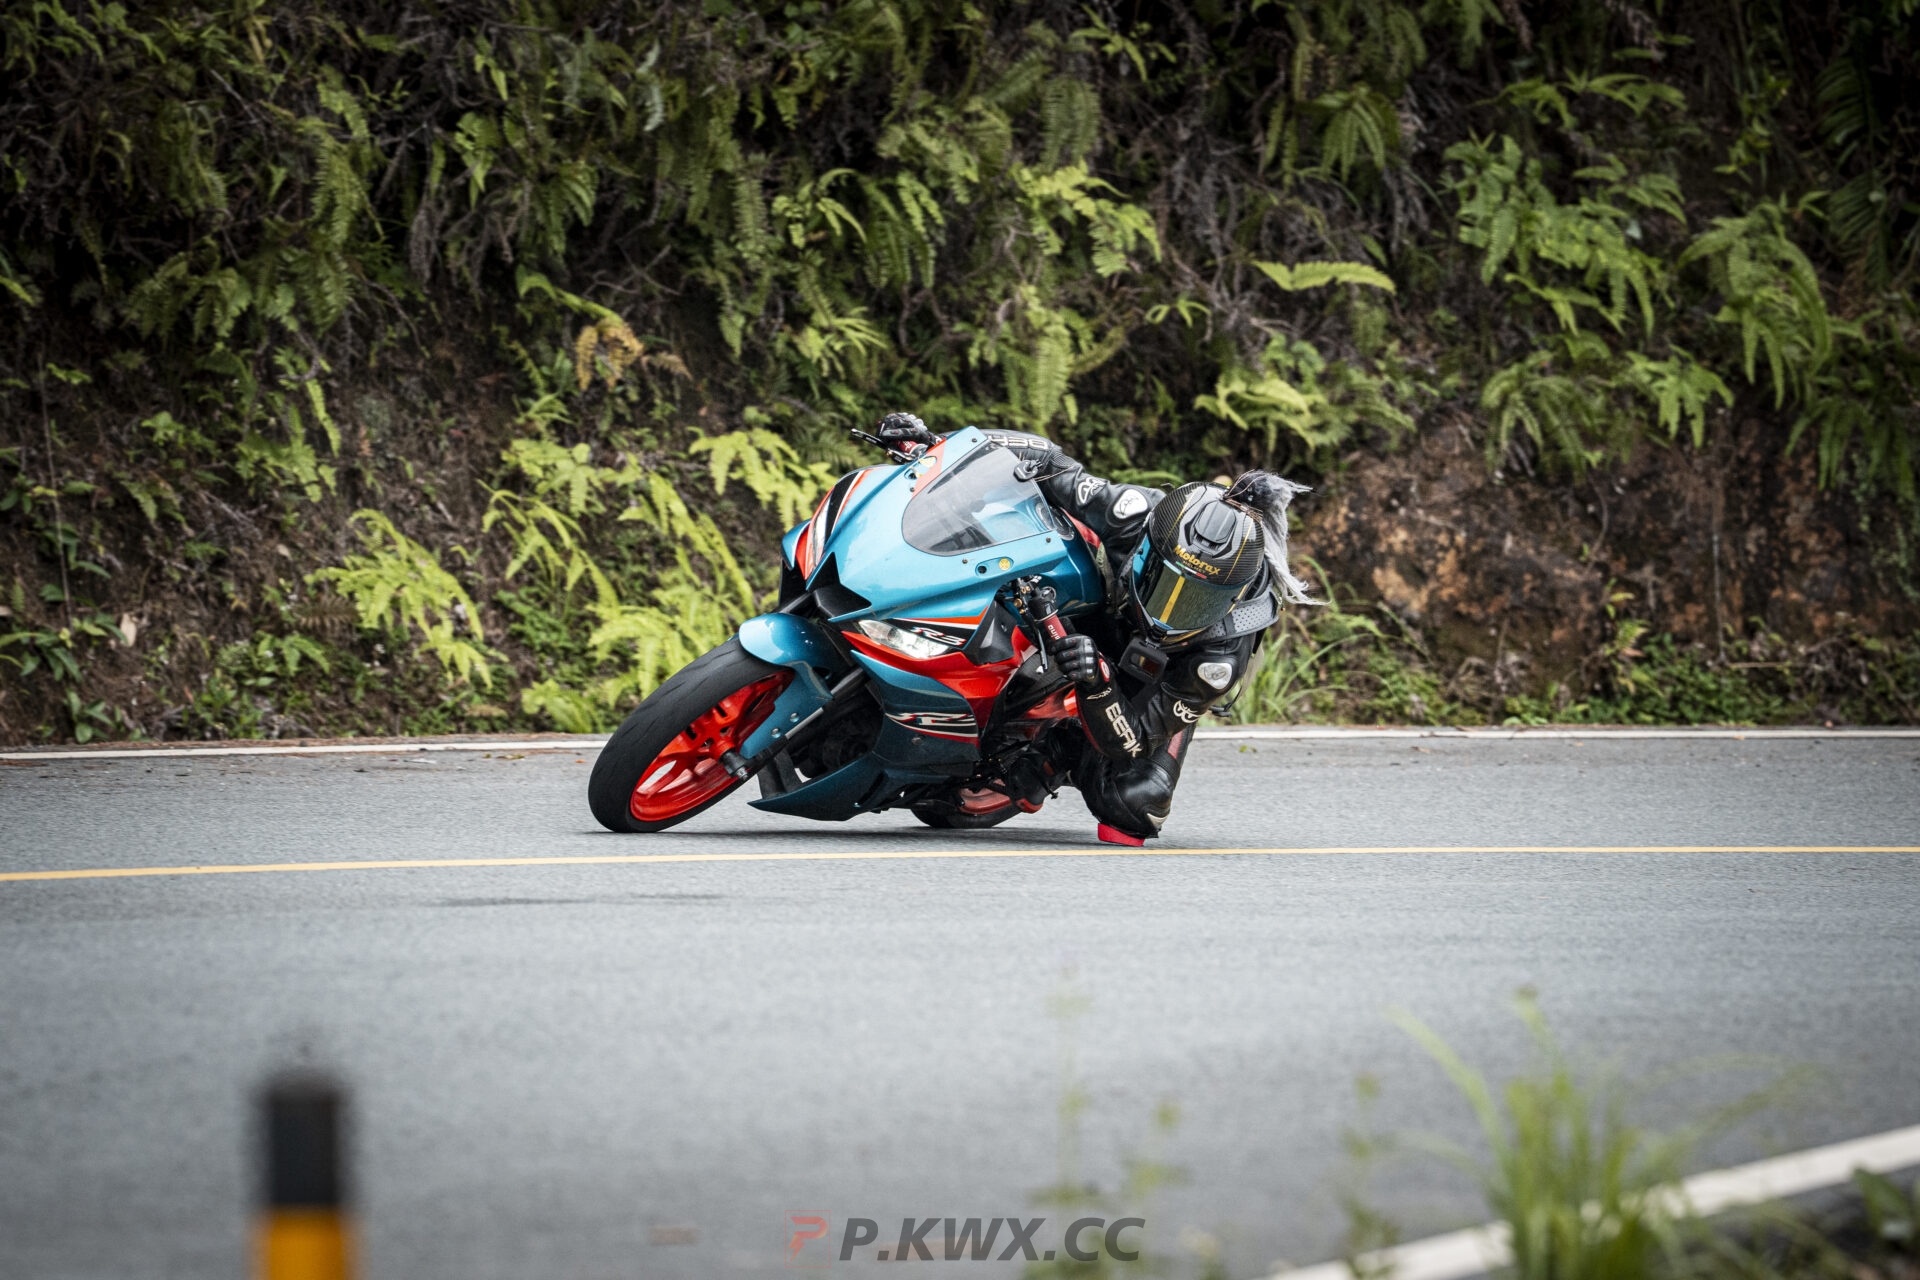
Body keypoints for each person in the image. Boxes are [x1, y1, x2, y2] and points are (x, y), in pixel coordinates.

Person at [868, 411, 1317, 845]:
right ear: (1148, 547)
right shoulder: (1134, 513)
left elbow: (1133, 741)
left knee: (1135, 804)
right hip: (1101, 607)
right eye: (1165, 583)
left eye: (1198, 601)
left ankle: (1055, 753)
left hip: (1155, 676)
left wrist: (1099, 683)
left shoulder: (1219, 658)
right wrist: (937, 447)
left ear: (1231, 598)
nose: (1170, 613)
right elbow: (1046, 461)